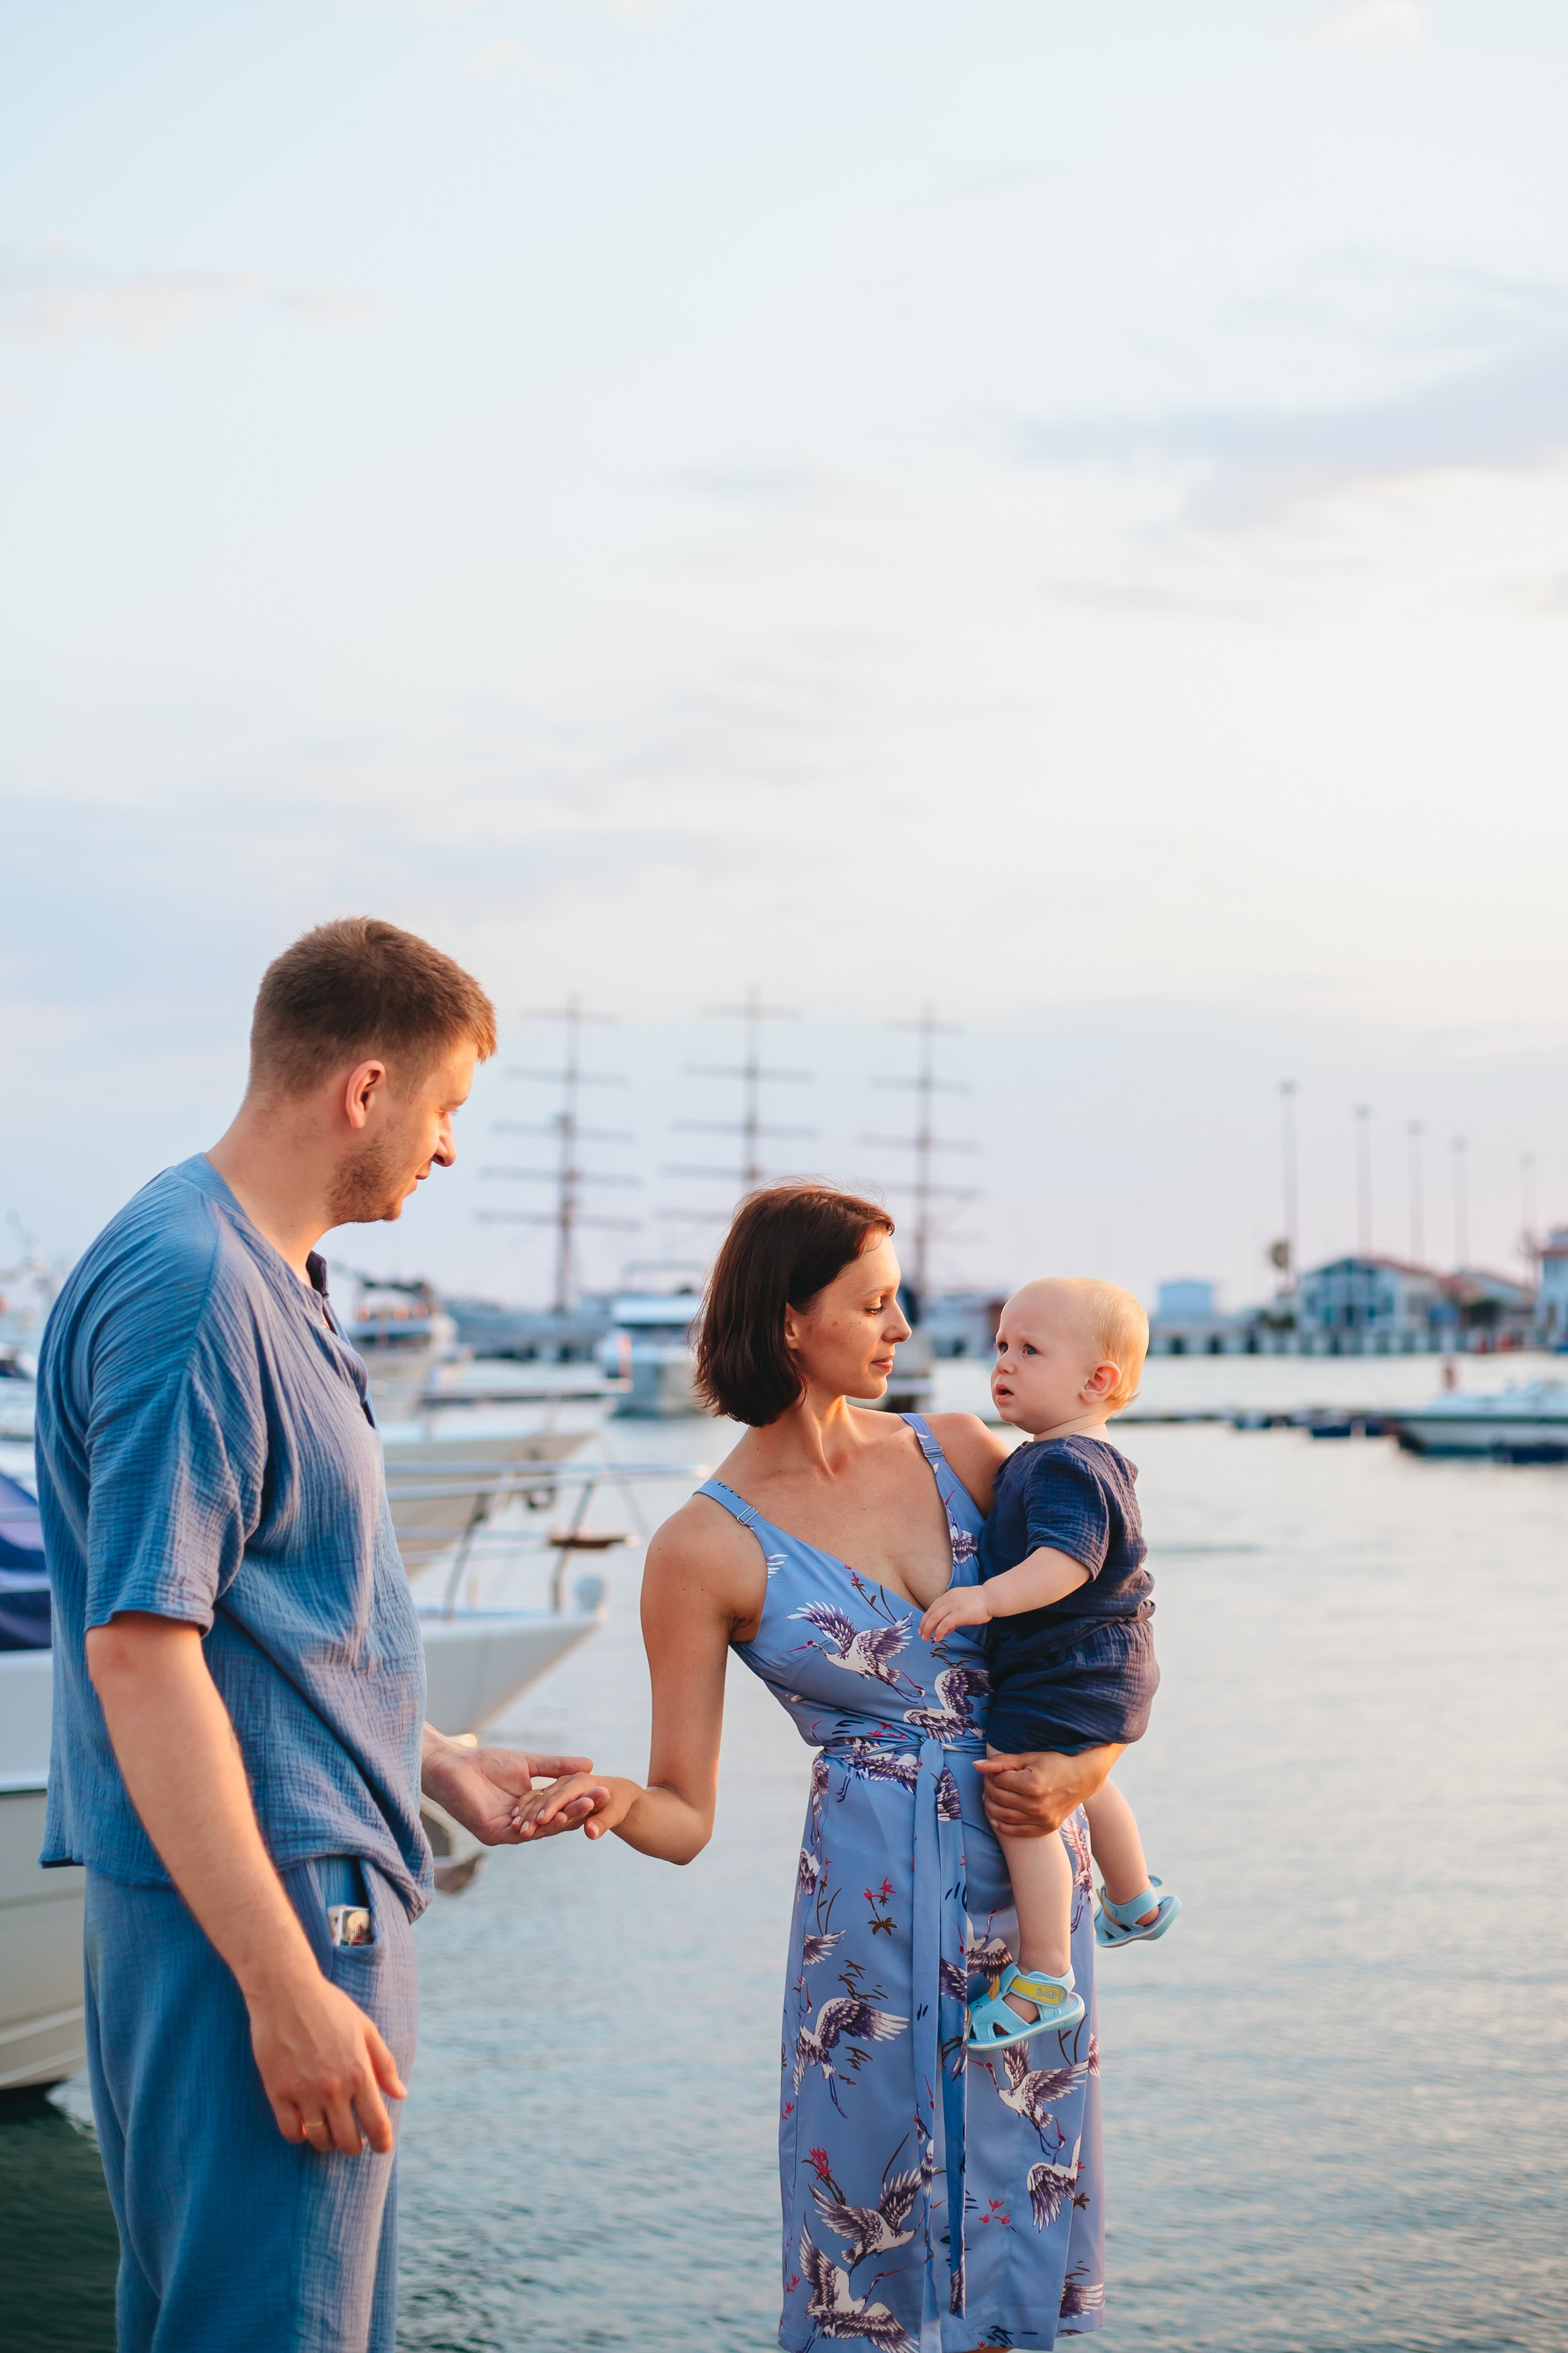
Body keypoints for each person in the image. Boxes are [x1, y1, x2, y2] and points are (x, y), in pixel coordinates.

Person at [36, 918, 598, 2353]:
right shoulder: (196, 1288)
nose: (449, 1148)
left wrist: (436, 1756)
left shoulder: (256, 1272)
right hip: (265, 1907)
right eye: (446, 1108)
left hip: (285, 1877)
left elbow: (260, 1619)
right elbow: (141, 1652)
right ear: (363, 1089)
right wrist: (283, 1982)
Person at [517, 1187, 1120, 2349]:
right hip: (869, 1929)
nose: (904, 1332)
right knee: (868, 2227)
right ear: (792, 1321)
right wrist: (616, 1801)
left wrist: (1088, 1772)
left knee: (1023, 2196)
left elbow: (1104, 1633)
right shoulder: (701, 1548)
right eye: (877, 1305)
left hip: (1030, 1877)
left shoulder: (956, 1448)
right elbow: (685, 1810)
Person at [920, 1279, 1179, 2051]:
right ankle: (1133, 1899)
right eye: (1001, 1345)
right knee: (1080, 1777)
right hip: (1103, 1660)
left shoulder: (1065, 1462)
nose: (1004, 1363)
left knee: (1021, 1795)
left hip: (1068, 1661)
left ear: (1096, 1381)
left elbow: (1068, 1559)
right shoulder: (1071, 1455)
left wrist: (986, 1600)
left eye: (1030, 1350)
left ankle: (1043, 1976)